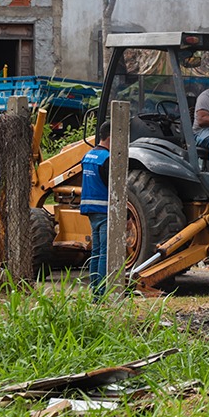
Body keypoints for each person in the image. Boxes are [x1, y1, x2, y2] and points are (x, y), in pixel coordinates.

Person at [79, 121, 111, 300]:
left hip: (90, 209)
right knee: (105, 253)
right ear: (111, 137)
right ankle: (101, 294)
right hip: (104, 209)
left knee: (96, 251)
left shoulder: (88, 156)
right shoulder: (106, 159)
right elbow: (113, 188)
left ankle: (95, 293)